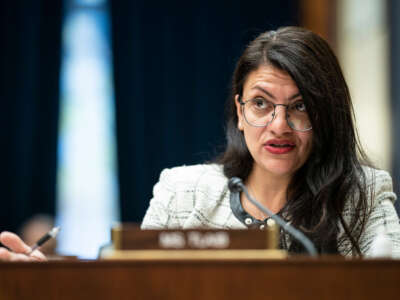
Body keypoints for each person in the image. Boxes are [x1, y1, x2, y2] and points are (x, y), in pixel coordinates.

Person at [1, 26, 399, 261]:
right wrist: (52, 282)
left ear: (325, 114)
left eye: (300, 107)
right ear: (240, 112)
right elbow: (130, 289)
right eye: (261, 104)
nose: (279, 126)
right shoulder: (182, 191)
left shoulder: (363, 194)